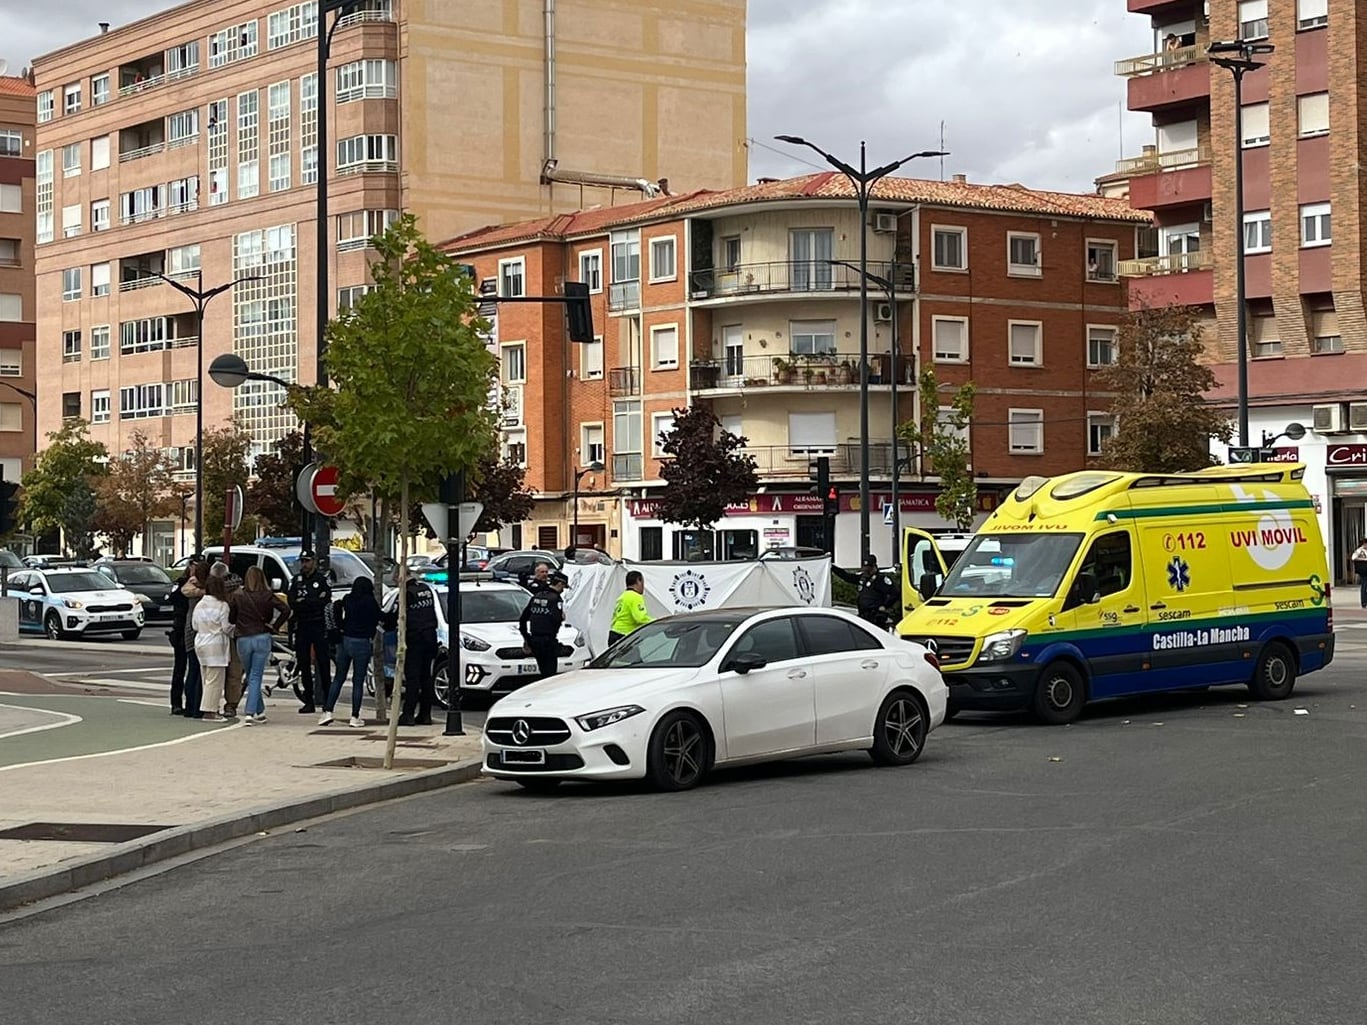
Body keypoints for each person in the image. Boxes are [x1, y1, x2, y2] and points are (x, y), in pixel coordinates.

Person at [231, 566, 288, 725]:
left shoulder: (239, 595)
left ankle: (255, 711)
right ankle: (254, 711)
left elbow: (231, 618)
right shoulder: (268, 595)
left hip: (243, 637)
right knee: (255, 676)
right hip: (262, 635)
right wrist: (275, 626)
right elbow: (285, 609)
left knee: (251, 675)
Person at [323, 577, 381, 728]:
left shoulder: (348, 599)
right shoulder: (370, 602)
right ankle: (354, 716)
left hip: (345, 640)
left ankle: (327, 711)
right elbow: (380, 618)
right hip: (362, 642)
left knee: (339, 678)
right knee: (358, 680)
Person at [287, 550, 332, 714]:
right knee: (303, 664)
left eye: (307, 561)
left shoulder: (321, 580)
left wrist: (305, 602)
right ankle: (309, 701)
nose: (304, 564)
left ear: (313, 561)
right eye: (302, 561)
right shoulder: (296, 581)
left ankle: (328, 700)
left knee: (323, 663)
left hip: (318, 625)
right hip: (302, 625)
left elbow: (324, 599)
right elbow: (292, 601)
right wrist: (307, 603)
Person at [397, 577, 439, 726]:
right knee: (426, 677)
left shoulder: (406, 593)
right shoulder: (425, 589)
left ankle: (408, 714)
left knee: (413, 678)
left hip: (415, 638)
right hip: (430, 636)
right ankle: (425, 714)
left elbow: (399, 616)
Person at [192, 574, 233, 720]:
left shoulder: (199, 604)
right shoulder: (222, 605)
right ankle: (210, 711)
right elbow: (226, 627)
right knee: (215, 680)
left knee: (206, 678)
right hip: (216, 644)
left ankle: (210, 708)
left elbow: (194, 625)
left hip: (201, 641)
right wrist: (234, 629)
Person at [167, 555, 203, 715]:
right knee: (180, 668)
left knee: (195, 669)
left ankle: (193, 703)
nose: (195, 568)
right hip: (181, 628)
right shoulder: (182, 583)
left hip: (199, 628)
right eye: (193, 565)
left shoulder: (204, 583)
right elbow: (172, 599)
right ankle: (176, 703)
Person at [211, 563, 244, 718]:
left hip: (226, 634)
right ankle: (231, 704)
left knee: (223, 672)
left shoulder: (219, 593)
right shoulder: (239, 590)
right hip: (234, 634)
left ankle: (222, 704)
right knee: (234, 673)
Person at [520, 571, 568, 678]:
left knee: (543, 671)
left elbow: (523, 619)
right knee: (550, 674)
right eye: (563, 587)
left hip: (535, 640)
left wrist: (527, 639)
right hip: (548, 641)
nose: (563, 590)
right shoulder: (556, 599)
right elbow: (556, 619)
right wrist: (561, 617)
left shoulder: (537, 596)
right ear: (559, 584)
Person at [833, 554, 899, 629]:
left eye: (868, 569)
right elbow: (847, 576)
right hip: (863, 615)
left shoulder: (881, 579)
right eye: (864, 568)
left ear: (874, 567)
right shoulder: (862, 578)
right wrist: (833, 567)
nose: (865, 571)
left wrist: (885, 605)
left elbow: (895, 593)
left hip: (875, 617)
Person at [180, 559, 209, 719]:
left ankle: (191, 705)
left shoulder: (194, 585)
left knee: (193, 670)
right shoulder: (197, 586)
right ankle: (195, 706)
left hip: (192, 627)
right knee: (197, 671)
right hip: (198, 629)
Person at [608, 570, 651, 647]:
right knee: (635, 659)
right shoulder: (635, 597)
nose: (643, 587)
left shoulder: (622, 597)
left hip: (613, 634)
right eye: (643, 583)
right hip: (624, 636)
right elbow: (640, 618)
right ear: (638, 581)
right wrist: (656, 622)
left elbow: (614, 617)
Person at [1353, 537, 1367, 609]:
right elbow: (1353, 557)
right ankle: (1364, 602)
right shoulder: (1359, 550)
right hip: (1363, 570)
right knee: (1364, 586)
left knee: (1364, 586)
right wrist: (1362, 559)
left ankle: (1365, 601)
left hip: (1364, 569)